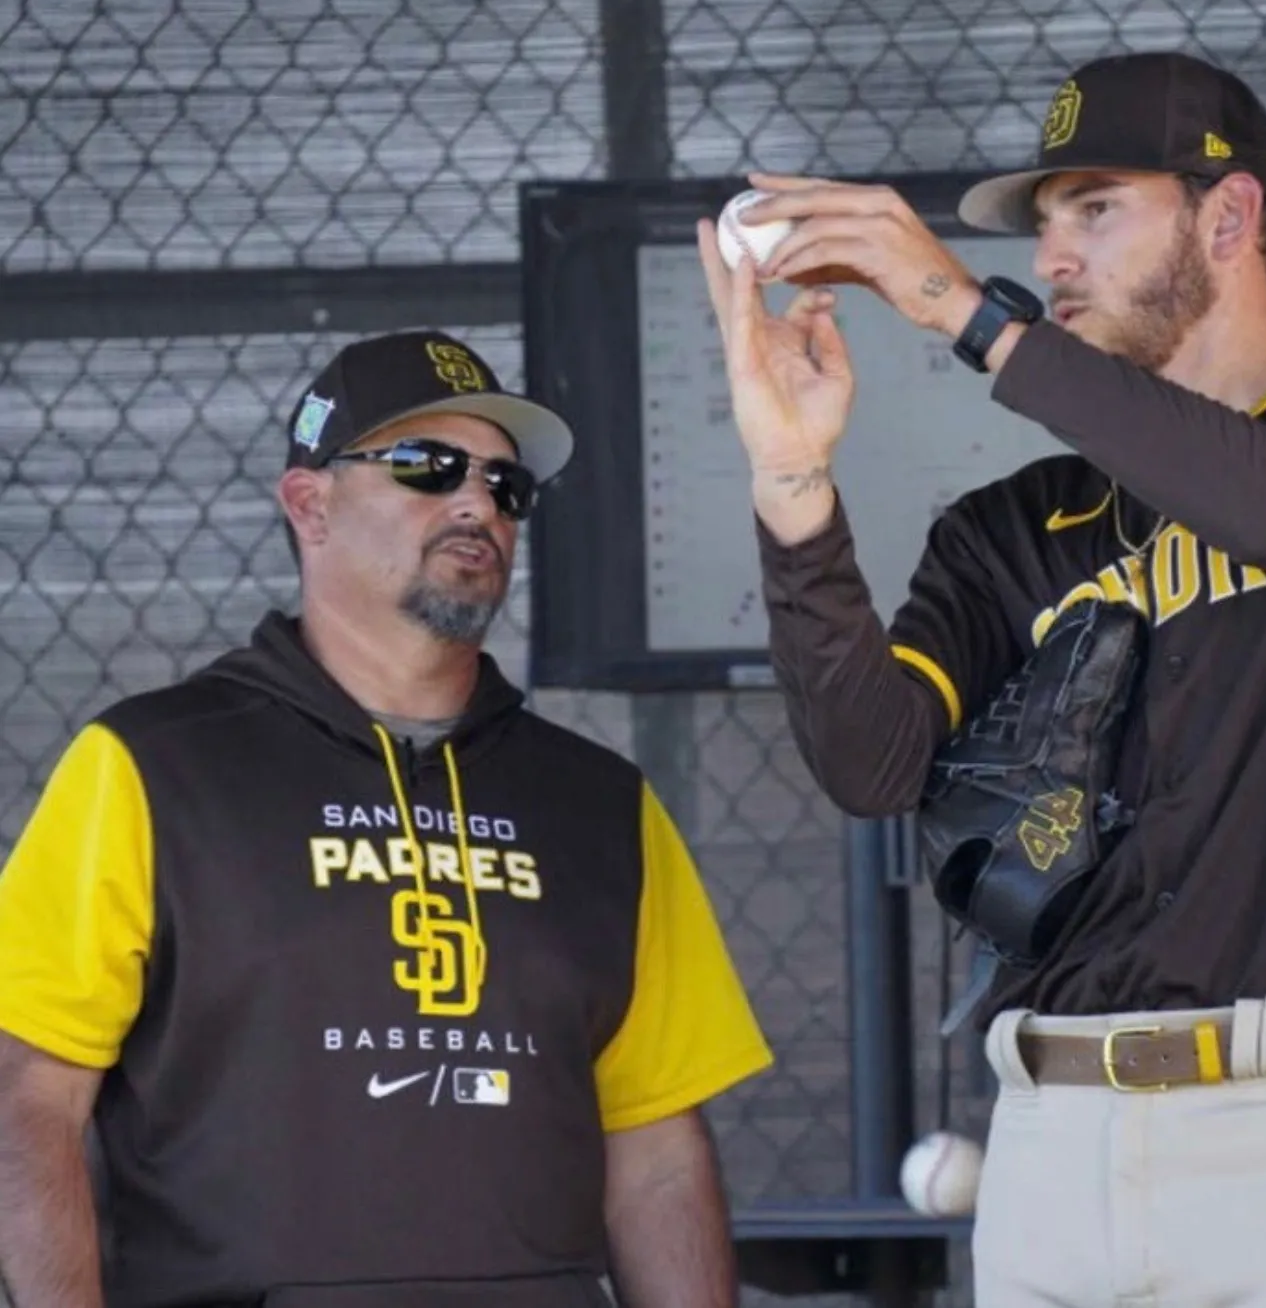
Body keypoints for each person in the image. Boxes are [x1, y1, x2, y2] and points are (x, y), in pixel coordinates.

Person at [697, 49, 1266, 1307]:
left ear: (1230, 215)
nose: (1051, 260)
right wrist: (790, 484)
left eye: (1094, 208)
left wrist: (963, 314)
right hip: (1049, 1141)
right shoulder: (1010, 525)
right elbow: (870, 763)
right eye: (1042, 226)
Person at [0, 331, 774, 1308]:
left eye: (505, 485)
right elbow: (28, 1098)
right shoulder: (151, 766)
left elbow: (657, 1144)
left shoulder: (601, 806)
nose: (476, 503)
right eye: (425, 466)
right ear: (309, 504)